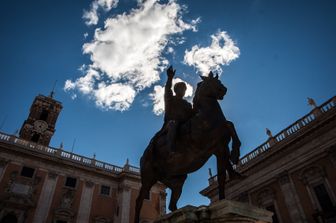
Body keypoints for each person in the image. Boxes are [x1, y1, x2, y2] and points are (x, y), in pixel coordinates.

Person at [164, 65, 193, 152]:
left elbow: (193, 115)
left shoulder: (187, 104)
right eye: (181, 89)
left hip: (184, 124)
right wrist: (170, 78)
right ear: (176, 90)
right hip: (170, 124)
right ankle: (170, 149)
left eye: (184, 89)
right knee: (173, 124)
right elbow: (167, 89)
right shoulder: (170, 99)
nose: (183, 91)